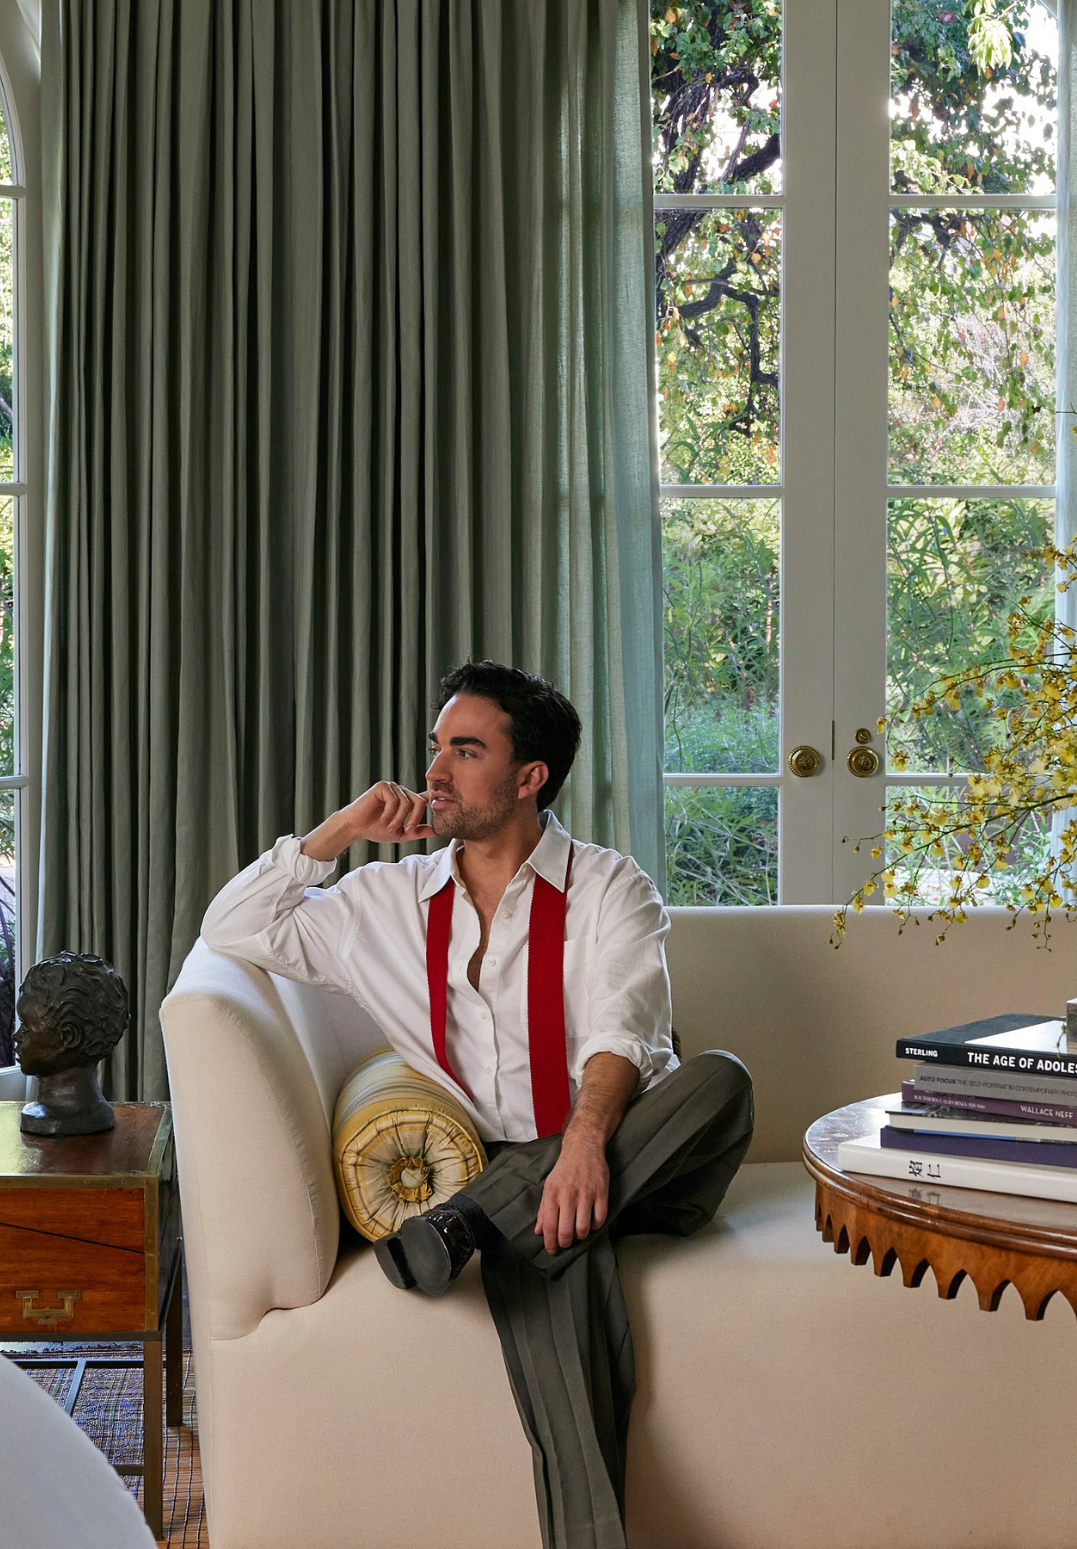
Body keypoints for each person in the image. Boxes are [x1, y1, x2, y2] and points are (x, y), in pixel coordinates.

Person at [197, 660, 755, 1549]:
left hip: (627, 1155)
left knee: (720, 1081)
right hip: (527, 1184)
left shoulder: (613, 889)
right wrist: (338, 832)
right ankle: (508, 1219)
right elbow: (230, 930)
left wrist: (579, 1146)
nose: (436, 775)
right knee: (559, 1249)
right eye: (435, 750)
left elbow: (625, 1030)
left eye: (466, 751)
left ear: (530, 778)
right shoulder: (384, 900)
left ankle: (472, 1221)